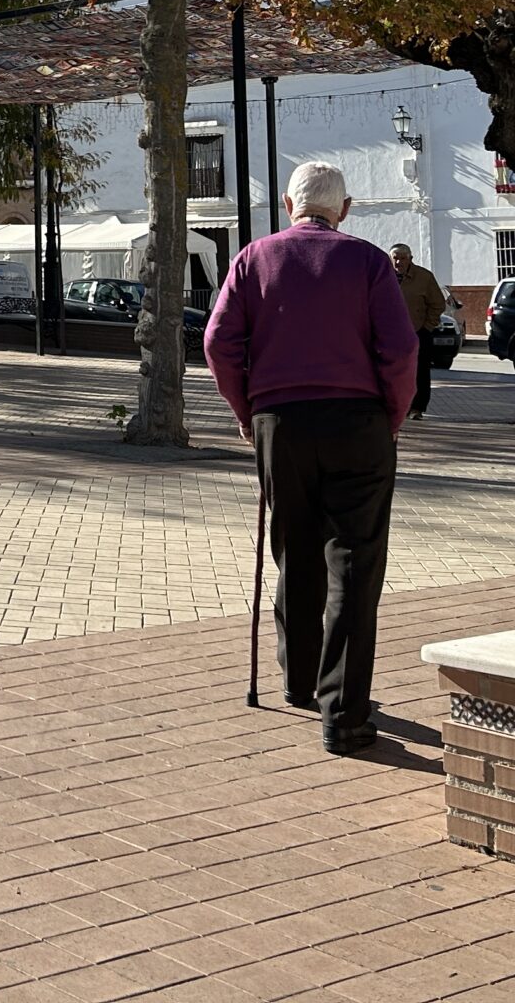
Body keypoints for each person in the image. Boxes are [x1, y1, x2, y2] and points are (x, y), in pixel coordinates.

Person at [203, 160, 418, 755]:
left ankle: (299, 681)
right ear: (343, 210)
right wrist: (391, 418)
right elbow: (401, 351)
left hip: (282, 420)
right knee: (353, 561)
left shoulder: (254, 258)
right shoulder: (370, 261)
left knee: (294, 546)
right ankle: (343, 713)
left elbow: (219, 342)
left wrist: (248, 412)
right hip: (359, 422)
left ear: (286, 204)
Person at [390, 243, 449, 419]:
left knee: (420, 371)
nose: (398, 262)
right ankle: (396, 406)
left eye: (402, 258)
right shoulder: (384, 276)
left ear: (410, 259)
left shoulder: (424, 277)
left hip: (417, 332)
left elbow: (437, 304)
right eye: (395, 258)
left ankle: (417, 408)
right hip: (391, 334)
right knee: (393, 371)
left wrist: (427, 327)